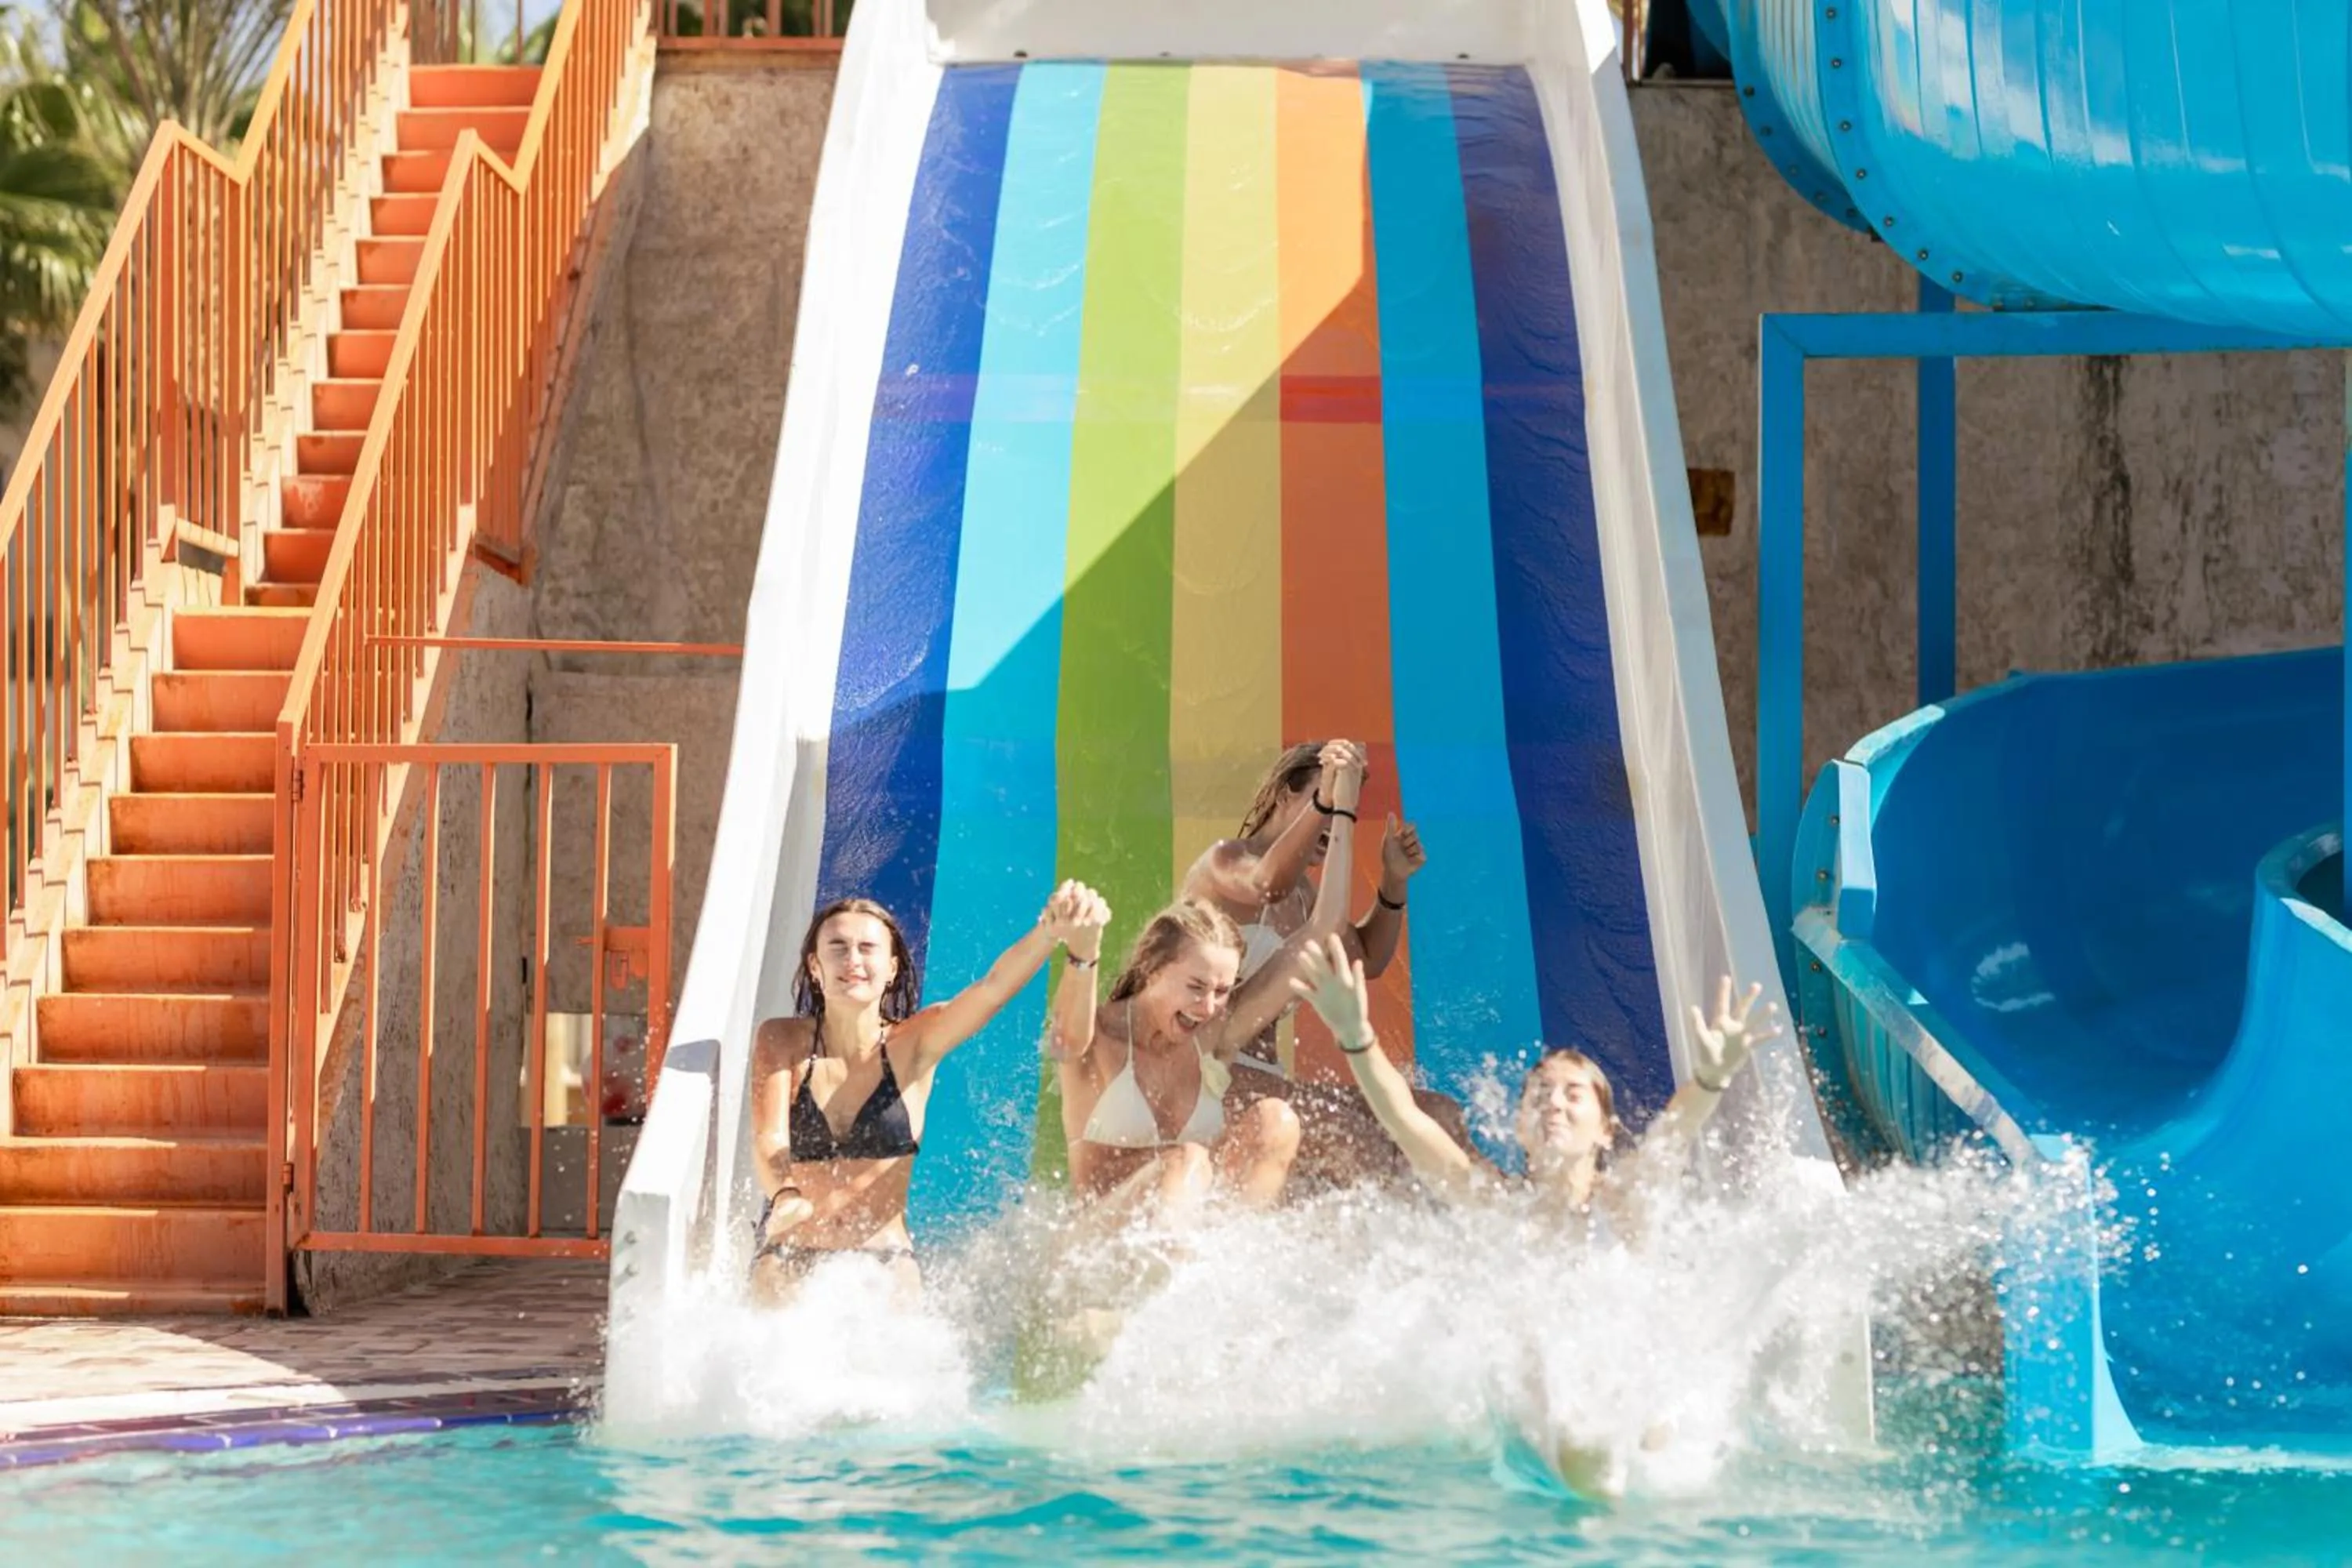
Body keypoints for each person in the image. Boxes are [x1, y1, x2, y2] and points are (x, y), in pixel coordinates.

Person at [1288, 935, 1786, 1497]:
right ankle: (1580, 1447)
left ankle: (1604, 1443)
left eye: (1574, 1094)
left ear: (1605, 1130)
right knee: (1523, 1348)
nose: (1553, 1102)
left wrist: (1712, 1078)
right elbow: (1406, 1121)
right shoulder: (1498, 1207)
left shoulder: (1623, 1202)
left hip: (1633, 1405)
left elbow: (1674, 1134)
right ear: (1520, 1128)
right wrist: (1356, 1037)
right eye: (1540, 1094)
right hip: (1548, 1414)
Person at [1045, 750, 1370, 1228]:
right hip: (1095, 1251)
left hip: (1181, 1251)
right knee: (1187, 1162)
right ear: (1153, 968)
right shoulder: (1097, 1038)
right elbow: (1066, 1033)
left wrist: (1341, 811)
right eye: (1197, 987)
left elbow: (1324, 929)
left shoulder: (1215, 1034)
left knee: (1275, 1120)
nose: (1210, 1006)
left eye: (1222, 990)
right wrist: (1084, 947)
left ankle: (1236, 1273)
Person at [746, 881, 1109, 1302]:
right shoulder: (782, 1041)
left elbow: (992, 989)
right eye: (838, 947)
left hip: (883, 1262)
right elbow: (769, 1137)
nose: (853, 960)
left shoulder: (914, 1044)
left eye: (868, 948)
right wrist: (786, 1194)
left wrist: (1050, 932)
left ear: (893, 968)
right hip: (791, 1255)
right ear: (814, 966)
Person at [1180, 739, 1466, 1185]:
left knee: (1439, 1114)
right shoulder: (1227, 861)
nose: (1335, 818)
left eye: (1342, 802)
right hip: (1211, 1074)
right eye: (1327, 794)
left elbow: (1366, 959)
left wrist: (1393, 881)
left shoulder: (1307, 897)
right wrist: (1335, 806)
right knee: (1357, 1140)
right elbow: (1268, 885)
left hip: (1266, 1076)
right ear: (1286, 794)